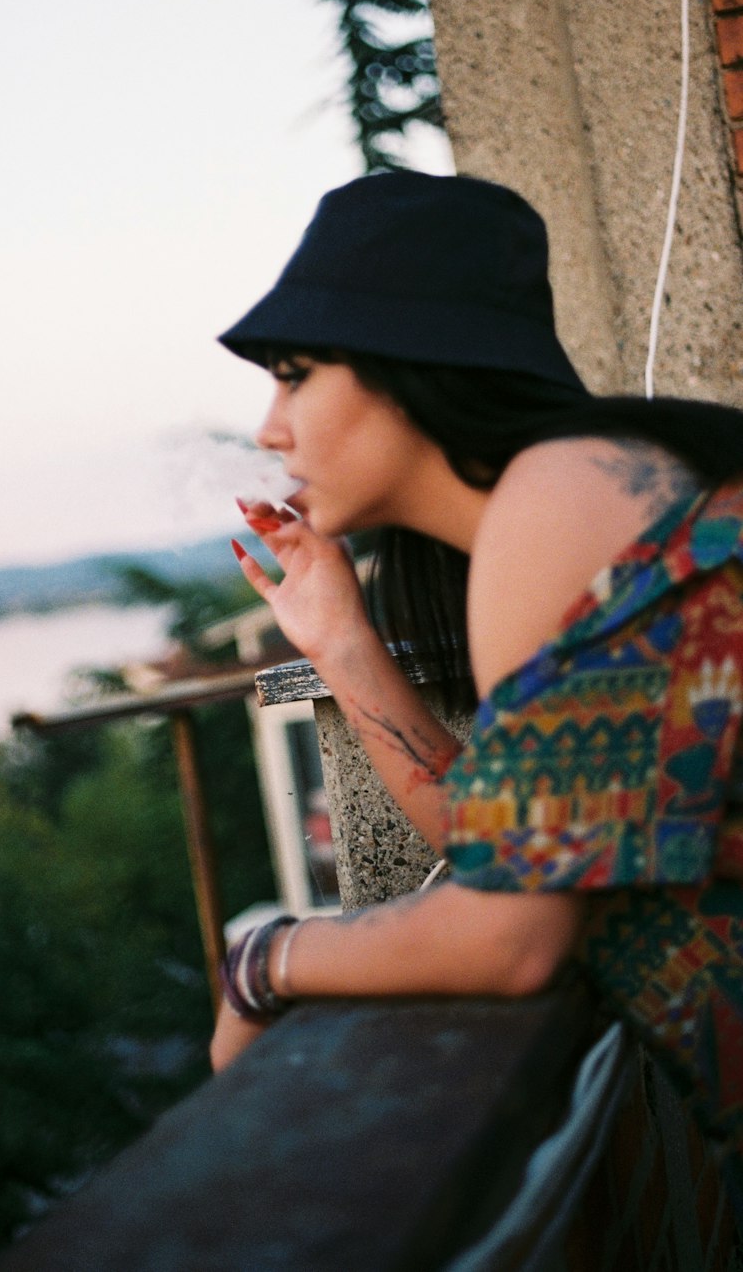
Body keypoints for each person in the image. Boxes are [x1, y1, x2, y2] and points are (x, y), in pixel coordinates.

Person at [210, 169, 743, 1188]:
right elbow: (508, 848)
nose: (269, 428)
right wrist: (340, 643)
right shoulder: (581, 487)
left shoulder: (562, 494)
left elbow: (509, 936)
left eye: (293, 373)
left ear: (409, 366)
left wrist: (262, 962)